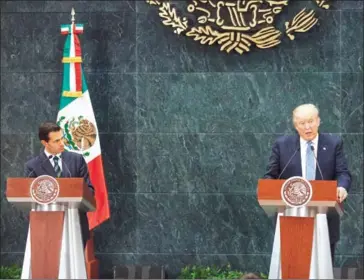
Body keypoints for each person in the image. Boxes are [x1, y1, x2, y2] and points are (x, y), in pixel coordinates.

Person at [263, 103, 351, 264]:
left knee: (323, 264)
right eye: (302, 123)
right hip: (290, 215)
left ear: (318, 121)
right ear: (295, 126)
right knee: (293, 264)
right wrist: (270, 190)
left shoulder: (333, 144)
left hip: (325, 215)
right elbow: (270, 176)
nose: (307, 127)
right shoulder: (282, 145)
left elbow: (342, 173)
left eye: (311, 121)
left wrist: (342, 186)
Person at [25, 121, 94, 246]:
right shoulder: (33, 166)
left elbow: (89, 190)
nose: (62, 143)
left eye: (62, 138)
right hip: (47, 226)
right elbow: (30, 196)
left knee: (75, 264)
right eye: (56, 141)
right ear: (45, 143)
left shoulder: (76, 160)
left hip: (75, 223)